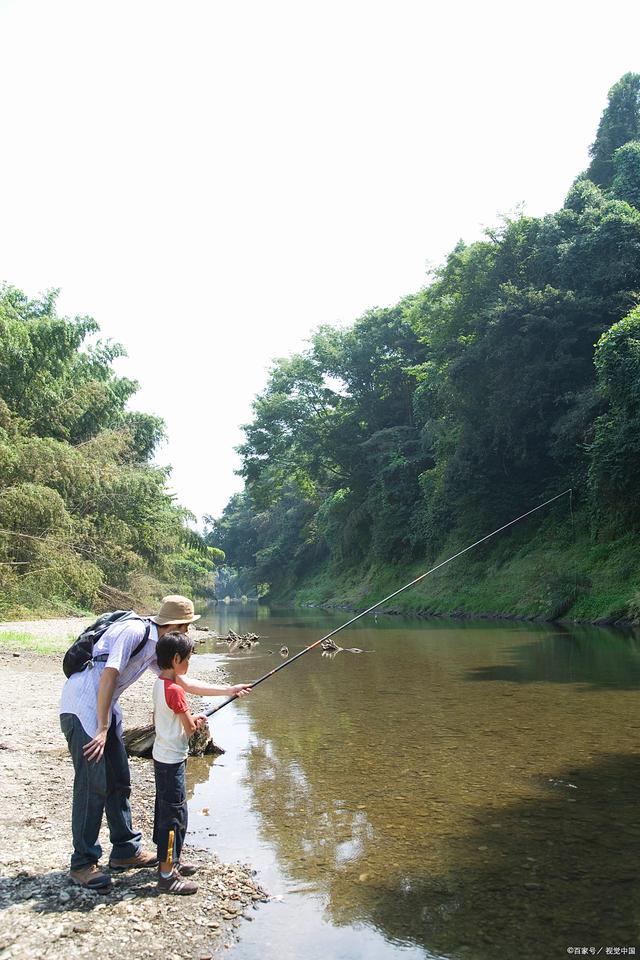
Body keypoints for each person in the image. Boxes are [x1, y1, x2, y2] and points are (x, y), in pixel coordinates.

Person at [59, 595, 252, 890]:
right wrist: (101, 728)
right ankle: (83, 863)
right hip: (84, 708)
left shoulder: (156, 649)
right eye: (185, 628)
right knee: (92, 785)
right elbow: (109, 674)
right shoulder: (135, 632)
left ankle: (125, 850)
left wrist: (230, 689)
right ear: (173, 624)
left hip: (106, 710)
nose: (185, 634)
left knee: (120, 780)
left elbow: (180, 682)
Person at [152, 631, 207, 894]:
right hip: (173, 759)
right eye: (187, 659)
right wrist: (195, 721)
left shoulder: (159, 684)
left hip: (161, 756)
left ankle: (171, 861)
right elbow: (189, 729)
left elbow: (170, 719)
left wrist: (190, 718)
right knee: (174, 816)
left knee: (165, 810)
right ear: (176, 659)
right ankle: (167, 875)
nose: (188, 665)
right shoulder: (176, 691)